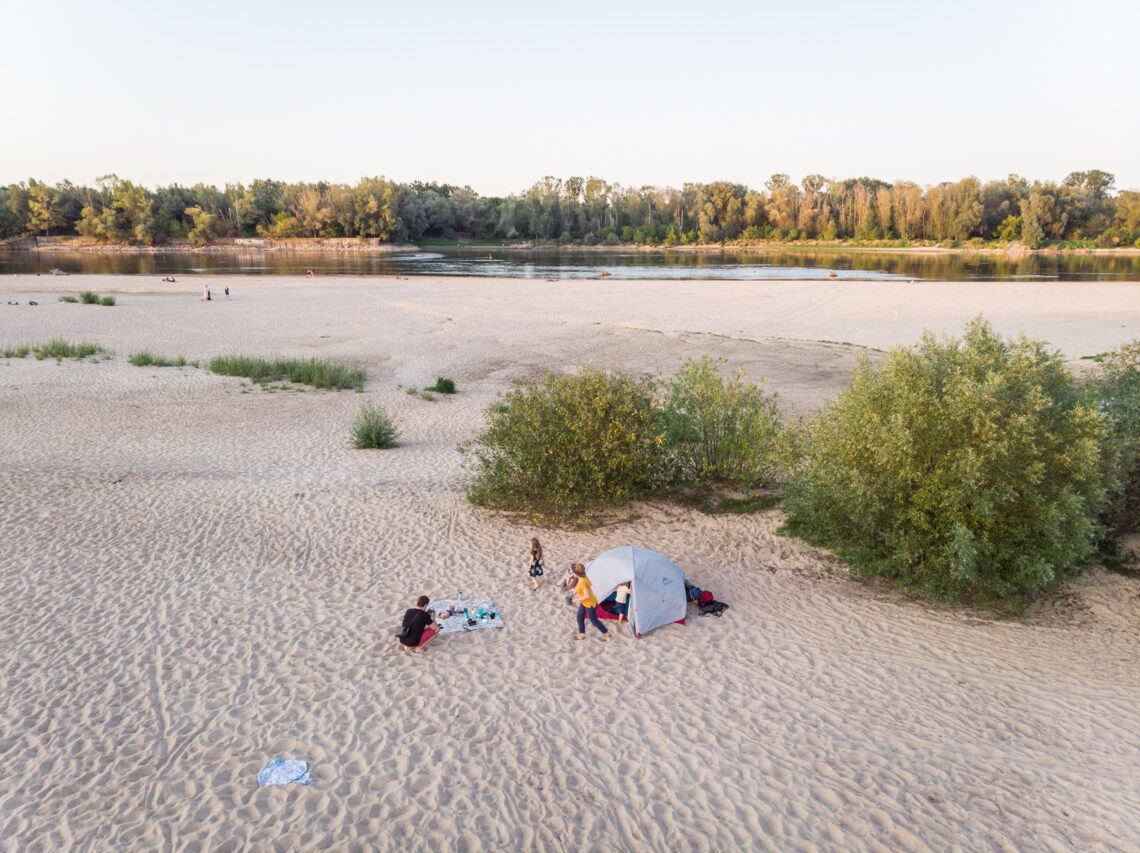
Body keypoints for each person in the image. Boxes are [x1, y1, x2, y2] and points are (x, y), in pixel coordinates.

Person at [571, 563, 610, 642]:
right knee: (579, 617)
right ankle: (582, 635)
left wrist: (576, 600)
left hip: (589, 603)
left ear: (576, 573)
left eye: (572, 571)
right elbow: (589, 585)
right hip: (585, 602)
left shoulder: (582, 581)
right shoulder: (583, 577)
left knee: (594, 620)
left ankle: (607, 634)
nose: (571, 573)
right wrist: (578, 593)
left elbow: (587, 595)